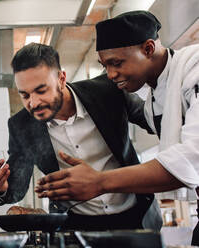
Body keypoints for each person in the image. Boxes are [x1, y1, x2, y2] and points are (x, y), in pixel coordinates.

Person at [35, 10, 199, 243]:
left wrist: (99, 182)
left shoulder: (194, 67)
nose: (110, 75)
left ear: (148, 49)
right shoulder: (155, 98)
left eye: (117, 63)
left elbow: (193, 157)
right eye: (104, 66)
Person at [0, 42, 162, 231]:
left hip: (136, 218)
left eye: (41, 90)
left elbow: (154, 121)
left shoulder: (108, 91)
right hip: (78, 226)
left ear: (61, 79)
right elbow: (16, 189)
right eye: (25, 95)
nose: (33, 103)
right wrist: (2, 186)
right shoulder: (21, 126)